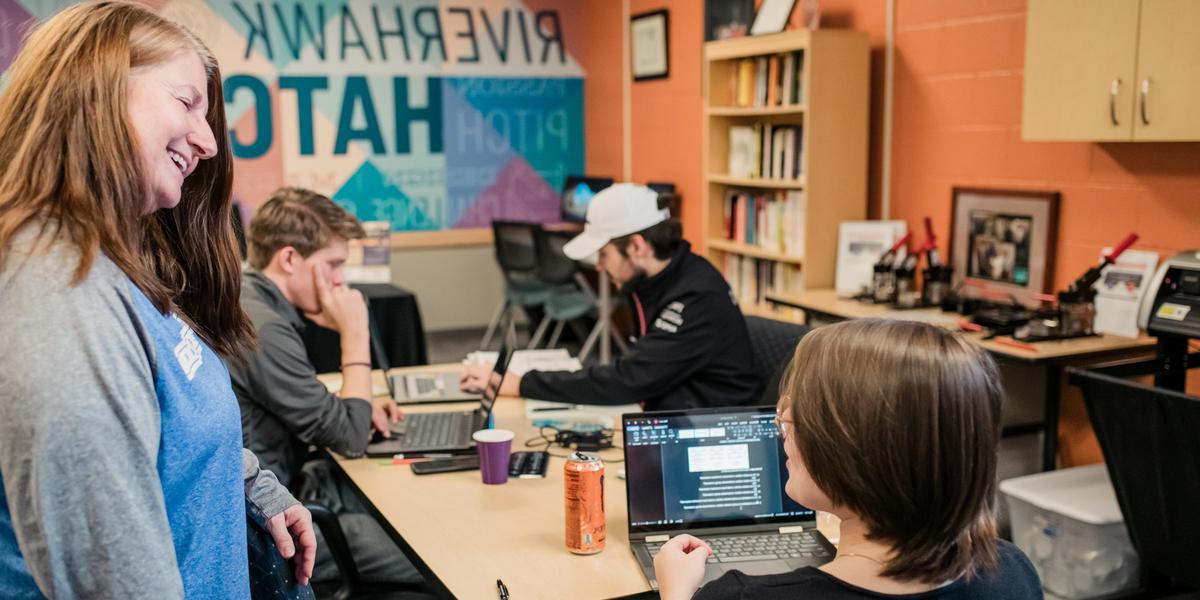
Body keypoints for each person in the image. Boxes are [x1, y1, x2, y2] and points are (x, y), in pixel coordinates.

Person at [0, 3, 315, 598]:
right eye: (187, 103)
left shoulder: (114, 264)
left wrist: (247, 483)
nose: (207, 142)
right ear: (97, 89)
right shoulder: (59, 295)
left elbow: (165, 426)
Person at [653, 319, 1042, 600]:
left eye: (797, 414)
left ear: (848, 449)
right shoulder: (1011, 571)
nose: (781, 425)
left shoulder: (740, 597)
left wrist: (676, 594)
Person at [228, 187, 421, 586]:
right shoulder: (263, 327)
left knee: (409, 502)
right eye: (333, 264)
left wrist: (359, 407)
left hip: (288, 486)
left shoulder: (252, 302)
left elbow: (312, 409)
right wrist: (355, 332)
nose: (340, 280)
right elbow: (350, 436)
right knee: (429, 552)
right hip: (275, 521)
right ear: (289, 258)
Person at [462, 183, 759, 410]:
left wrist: (522, 383)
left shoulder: (697, 297)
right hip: (669, 416)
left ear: (637, 246)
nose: (600, 266)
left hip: (712, 438)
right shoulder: (653, 280)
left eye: (603, 254)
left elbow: (629, 379)